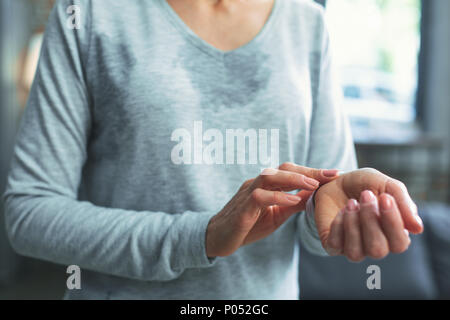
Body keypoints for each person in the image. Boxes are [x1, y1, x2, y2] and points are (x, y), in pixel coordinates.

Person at [3, 0, 423, 299]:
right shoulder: (89, 13)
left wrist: (330, 211)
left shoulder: (307, 22)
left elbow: (319, 223)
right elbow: (30, 212)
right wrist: (201, 236)